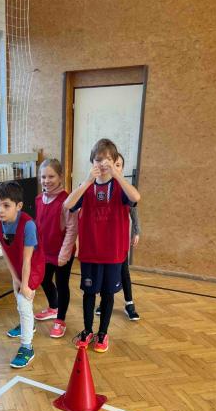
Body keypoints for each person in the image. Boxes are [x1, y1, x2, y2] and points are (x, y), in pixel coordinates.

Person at [64, 138, 141, 352]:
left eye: (107, 160)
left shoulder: (119, 187)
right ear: (92, 162)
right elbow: (68, 204)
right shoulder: (87, 187)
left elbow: (136, 197)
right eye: (98, 160)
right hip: (90, 253)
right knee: (89, 294)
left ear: (115, 162)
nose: (102, 164)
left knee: (108, 295)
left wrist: (117, 174)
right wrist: (87, 181)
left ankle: (103, 333)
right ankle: (88, 330)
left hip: (113, 254)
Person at [0, 181, 45, 368]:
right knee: (19, 298)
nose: (0, 210)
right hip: (17, 264)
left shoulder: (28, 225)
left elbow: (28, 259)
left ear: (19, 206)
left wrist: (24, 284)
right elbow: (4, 248)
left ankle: (27, 347)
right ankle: (28, 325)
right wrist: (15, 278)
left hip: (33, 266)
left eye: (6, 205)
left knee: (23, 301)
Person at [34, 159, 78, 338]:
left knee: (62, 284)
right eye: (43, 177)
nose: (46, 180)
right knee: (44, 279)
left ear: (60, 177)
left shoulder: (67, 201)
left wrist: (64, 254)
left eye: (51, 176)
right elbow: (39, 226)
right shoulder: (38, 199)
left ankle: (60, 320)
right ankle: (53, 307)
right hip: (44, 251)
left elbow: (72, 230)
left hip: (62, 253)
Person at [95, 153, 141, 320]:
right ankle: (104, 301)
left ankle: (129, 303)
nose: (114, 168)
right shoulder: (101, 188)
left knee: (124, 271)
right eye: (112, 164)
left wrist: (136, 231)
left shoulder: (125, 189)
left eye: (118, 165)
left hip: (119, 242)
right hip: (103, 242)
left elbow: (134, 211)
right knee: (104, 273)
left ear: (121, 168)